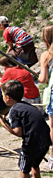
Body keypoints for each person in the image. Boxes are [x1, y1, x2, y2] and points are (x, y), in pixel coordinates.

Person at [0, 80, 50, 178]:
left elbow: (18, 132)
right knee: (35, 164)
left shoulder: (14, 110)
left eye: (2, 95)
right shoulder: (26, 105)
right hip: (45, 141)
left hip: (31, 143)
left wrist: (3, 124)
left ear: (7, 97)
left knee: (23, 169)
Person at [38, 25, 53, 170]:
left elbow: (43, 79)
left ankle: (52, 157)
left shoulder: (47, 54)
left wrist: (39, 76)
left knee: (52, 127)